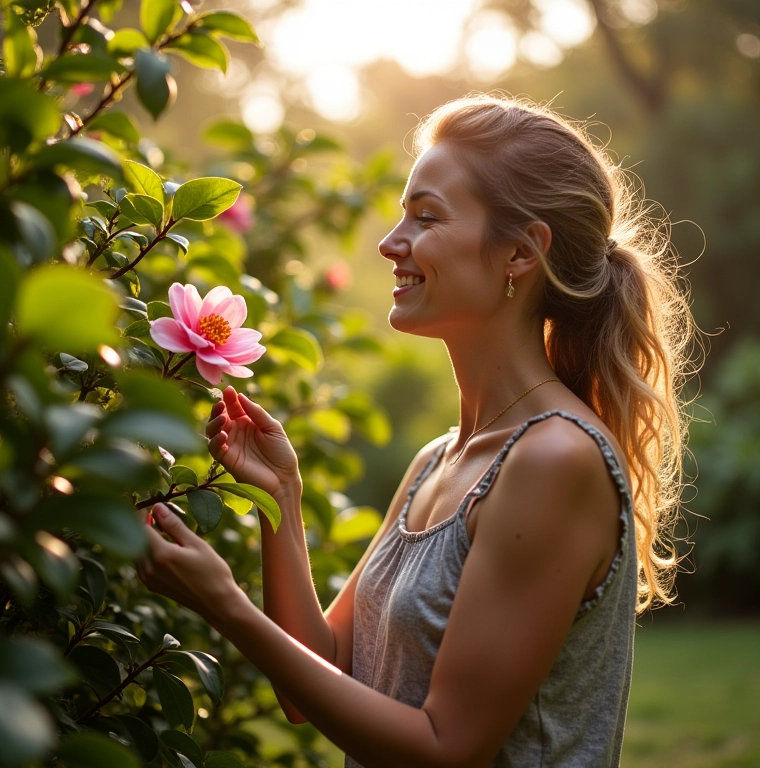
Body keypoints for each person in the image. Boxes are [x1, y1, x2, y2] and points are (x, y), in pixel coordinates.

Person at [138, 94, 696, 767]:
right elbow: (317, 677)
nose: (388, 243)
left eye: (425, 217)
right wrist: (280, 498)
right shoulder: (440, 460)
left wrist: (226, 604)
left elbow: (444, 750)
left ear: (520, 252)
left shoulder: (555, 460)